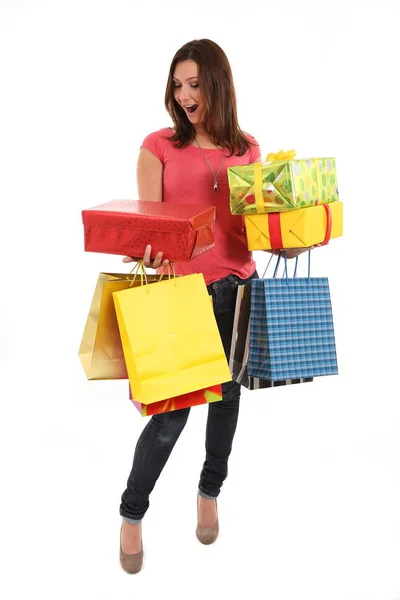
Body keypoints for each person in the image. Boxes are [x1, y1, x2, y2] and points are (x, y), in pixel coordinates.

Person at [119, 38, 313, 574]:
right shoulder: (157, 146)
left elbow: (259, 230)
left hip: (238, 289)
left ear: (217, 84)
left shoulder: (248, 148)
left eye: (195, 84)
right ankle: (132, 513)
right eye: (177, 84)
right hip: (181, 295)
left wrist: (295, 238)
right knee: (169, 417)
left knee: (227, 400)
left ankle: (209, 493)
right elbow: (147, 230)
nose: (184, 94)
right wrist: (151, 251)